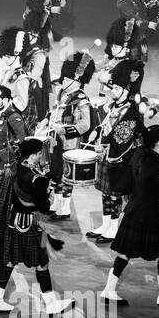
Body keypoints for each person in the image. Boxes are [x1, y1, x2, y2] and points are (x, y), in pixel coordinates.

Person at [0, 137, 75, 315]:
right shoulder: (36, 179)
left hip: (12, 222)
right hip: (30, 226)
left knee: (8, 261)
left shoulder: (16, 168)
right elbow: (43, 208)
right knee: (42, 263)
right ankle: (51, 304)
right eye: (39, 153)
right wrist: (50, 196)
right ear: (31, 155)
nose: (41, 156)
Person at [103, 124, 159, 307]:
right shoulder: (155, 164)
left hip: (133, 210)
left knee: (125, 253)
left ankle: (109, 289)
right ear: (157, 142)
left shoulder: (137, 154)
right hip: (150, 214)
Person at [86, 58, 144, 242]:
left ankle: (113, 228)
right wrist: (97, 132)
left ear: (128, 91)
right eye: (113, 88)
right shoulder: (115, 106)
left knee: (114, 194)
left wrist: (105, 146)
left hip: (119, 159)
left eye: (117, 89)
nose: (113, 91)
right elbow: (106, 125)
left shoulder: (131, 111)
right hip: (108, 155)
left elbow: (122, 138)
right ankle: (105, 224)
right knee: (105, 193)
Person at [47, 52, 97, 221]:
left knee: (66, 175)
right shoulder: (63, 93)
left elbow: (85, 125)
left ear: (77, 80)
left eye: (68, 79)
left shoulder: (81, 98)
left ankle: (65, 207)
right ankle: (57, 203)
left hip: (69, 142)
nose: (64, 81)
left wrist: (65, 130)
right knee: (55, 171)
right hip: (55, 140)